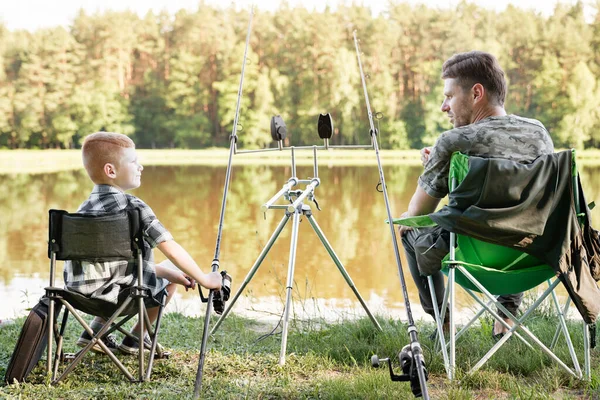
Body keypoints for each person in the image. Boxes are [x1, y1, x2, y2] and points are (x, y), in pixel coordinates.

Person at [399, 51, 554, 338]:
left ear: (476, 93)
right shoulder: (539, 133)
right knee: (516, 218)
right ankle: (506, 315)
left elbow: (417, 214)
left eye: (448, 96)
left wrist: (438, 165)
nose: (443, 107)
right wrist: (442, 166)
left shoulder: (453, 142)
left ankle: (443, 323)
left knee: (408, 229)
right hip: (534, 257)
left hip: (474, 261)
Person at [64, 131, 222, 354]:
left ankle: (95, 333)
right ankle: (136, 338)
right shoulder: (134, 208)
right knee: (170, 268)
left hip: (78, 296)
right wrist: (206, 279)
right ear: (111, 170)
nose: (141, 167)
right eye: (134, 161)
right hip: (122, 297)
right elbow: (173, 251)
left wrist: (165, 273)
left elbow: (112, 264)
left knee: (164, 271)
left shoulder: (81, 210)